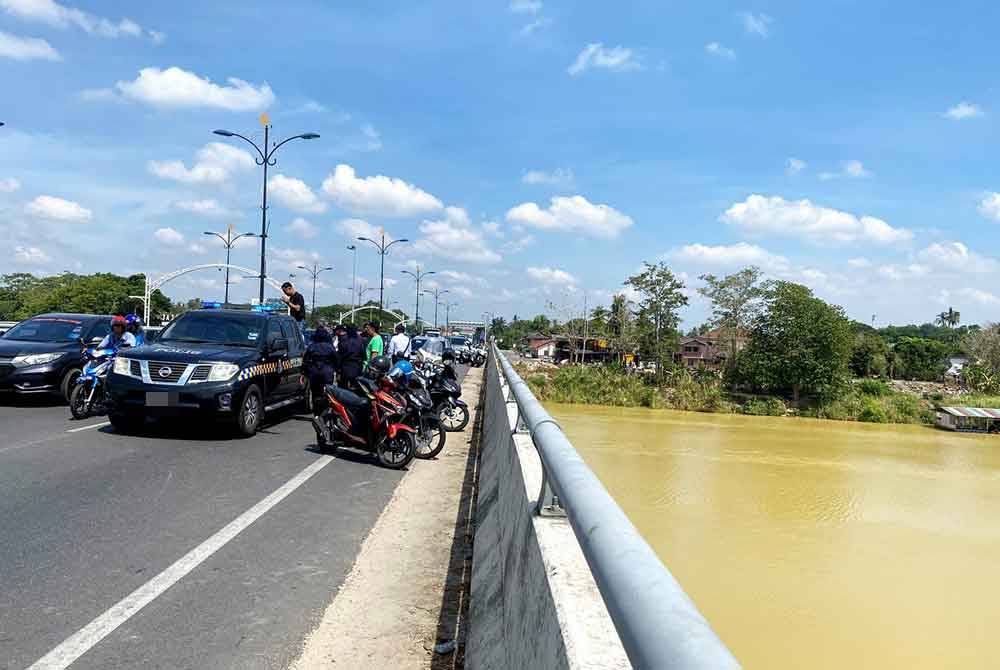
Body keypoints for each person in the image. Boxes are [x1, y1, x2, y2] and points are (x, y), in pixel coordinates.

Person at [302, 326, 337, 416]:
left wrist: (304, 373)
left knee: (315, 392)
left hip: (314, 372)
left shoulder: (311, 347)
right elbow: (336, 360)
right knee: (327, 392)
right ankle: (325, 411)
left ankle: (317, 413)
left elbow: (305, 361)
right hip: (327, 372)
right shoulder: (330, 347)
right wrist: (335, 370)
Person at [337, 324, 366, 390]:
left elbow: (339, 356)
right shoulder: (361, 340)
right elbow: (364, 354)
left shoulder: (343, 340)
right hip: (357, 367)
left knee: (343, 388)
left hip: (345, 367)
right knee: (356, 388)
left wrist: (338, 371)